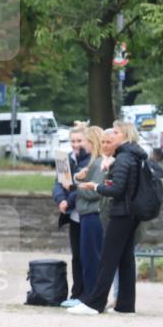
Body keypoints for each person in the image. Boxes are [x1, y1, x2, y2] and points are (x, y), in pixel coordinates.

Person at [69, 121, 147, 315]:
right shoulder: (133, 156)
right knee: (125, 259)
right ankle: (125, 305)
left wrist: (95, 187)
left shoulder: (124, 158)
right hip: (131, 213)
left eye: (117, 132)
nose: (113, 134)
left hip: (121, 212)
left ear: (125, 136)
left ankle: (95, 303)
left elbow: (117, 189)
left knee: (108, 258)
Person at [53, 124, 91, 306]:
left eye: (79, 140)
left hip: (86, 212)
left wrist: (69, 200)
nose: (76, 144)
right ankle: (76, 294)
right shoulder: (64, 159)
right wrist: (61, 199)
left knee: (87, 255)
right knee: (76, 255)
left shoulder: (91, 159)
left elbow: (83, 186)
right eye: (73, 141)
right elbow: (59, 183)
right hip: (73, 216)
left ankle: (87, 294)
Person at [72, 126, 105, 307]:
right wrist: (80, 180)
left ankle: (92, 297)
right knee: (87, 257)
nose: (81, 144)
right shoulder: (94, 163)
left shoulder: (99, 163)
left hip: (93, 214)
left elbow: (95, 191)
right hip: (87, 214)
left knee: (92, 258)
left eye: (84, 140)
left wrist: (78, 186)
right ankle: (88, 295)